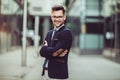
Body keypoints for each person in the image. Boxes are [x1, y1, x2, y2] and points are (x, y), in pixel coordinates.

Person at [40, 5, 72, 80]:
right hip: (45, 73)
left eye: (60, 17)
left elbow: (55, 52)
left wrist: (46, 49)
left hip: (58, 75)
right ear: (51, 18)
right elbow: (41, 52)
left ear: (64, 17)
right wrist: (47, 50)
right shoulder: (49, 33)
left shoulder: (66, 33)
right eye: (55, 16)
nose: (57, 19)